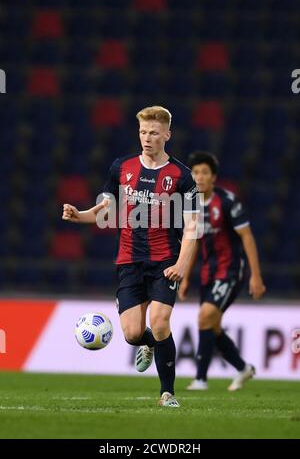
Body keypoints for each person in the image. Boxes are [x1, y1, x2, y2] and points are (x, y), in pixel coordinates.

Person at [62, 106, 200, 407]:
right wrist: (79, 215)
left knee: (161, 321)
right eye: (142, 132)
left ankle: (167, 394)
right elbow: (105, 210)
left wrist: (181, 264)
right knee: (133, 334)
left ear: (167, 134)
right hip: (128, 261)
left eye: (153, 132)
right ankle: (149, 343)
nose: (147, 138)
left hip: (165, 261)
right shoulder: (121, 168)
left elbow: (193, 225)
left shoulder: (183, 177)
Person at [178, 151, 266, 391]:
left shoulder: (227, 202)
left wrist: (255, 276)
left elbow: (247, 237)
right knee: (212, 326)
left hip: (230, 271)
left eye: (204, 172)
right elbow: (193, 241)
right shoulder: (190, 206)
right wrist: (185, 277)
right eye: (195, 172)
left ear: (213, 177)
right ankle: (242, 368)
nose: (199, 177)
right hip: (208, 273)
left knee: (205, 316)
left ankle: (200, 379)